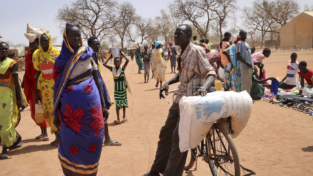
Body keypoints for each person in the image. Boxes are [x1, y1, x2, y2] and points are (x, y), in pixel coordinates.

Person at [144, 24, 216, 176]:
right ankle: (156, 170)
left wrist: (204, 87)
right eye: (175, 34)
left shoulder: (197, 51)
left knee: (179, 137)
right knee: (165, 133)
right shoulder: (180, 52)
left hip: (191, 102)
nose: (176, 36)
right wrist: (167, 83)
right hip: (180, 100)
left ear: (189, 35)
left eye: (179, 34)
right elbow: (180, 75)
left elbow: (210, 72)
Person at [53, 23, 111, 175]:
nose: (77, 38)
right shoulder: (61, 60)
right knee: (70, 142)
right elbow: (57, 88)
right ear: (66, 38)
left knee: (95, 139)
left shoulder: (88, 53)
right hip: (70, 113)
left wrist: (104, 105)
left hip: (93, 108)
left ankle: (91, 171)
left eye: (79, 35)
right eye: (73, 35)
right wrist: (55, 113)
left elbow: (97, 80)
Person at [88, 36, 121, 146]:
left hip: (98, 87)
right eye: (95, 44)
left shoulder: (94, 56)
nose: (98, 46)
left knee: (103, 113)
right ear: (90, 46)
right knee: (102, 112)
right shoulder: (90, 56)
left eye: (98, 44)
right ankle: (105, 139)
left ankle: (106, 138)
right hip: (95, 89)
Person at [0, 42, 27, 159]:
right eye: (1, 49)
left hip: (7, 96)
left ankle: (5, 148)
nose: (4, 51)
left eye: (6, 49)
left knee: (4, 123)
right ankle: (15, 139)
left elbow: (16, 83)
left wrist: (20, 100)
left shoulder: (12, 64)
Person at [33, 33, 60, 146]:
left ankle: (60, 137)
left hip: (56, 85)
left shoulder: (56, 53)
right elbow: (38, 72)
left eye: (46, 41)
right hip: (44, 87)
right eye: (42, 41)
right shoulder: (37, 54)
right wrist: (36, 92)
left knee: (58, 110)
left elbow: (60, 69)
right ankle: (57, 135)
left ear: (50, 41)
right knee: (48, 111)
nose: (44, 43)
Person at [23, 37, 49, 140]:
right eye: (30, 44)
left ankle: (46, 133)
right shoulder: (28, 55)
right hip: (31, 84)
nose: (31, 46)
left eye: (33, 44)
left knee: (41, 108)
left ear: (38, 45)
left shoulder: (40, 55)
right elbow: (26, 71)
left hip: (40, 85)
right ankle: (42, 132)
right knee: (36, 109)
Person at [103, 51, 130, 125]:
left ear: (120, 62)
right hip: (117, 91)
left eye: (118, 61)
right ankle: (118, 118)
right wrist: (110, 57)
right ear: (114, 63)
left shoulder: (122, 68)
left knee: (124, 103)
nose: (117, 63)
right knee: (118, 104)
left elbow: (127, 60)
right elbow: (104, 64)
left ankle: (124, 117)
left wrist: (122, 54)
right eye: (115, 62)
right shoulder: (113, 69)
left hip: (123, 90)